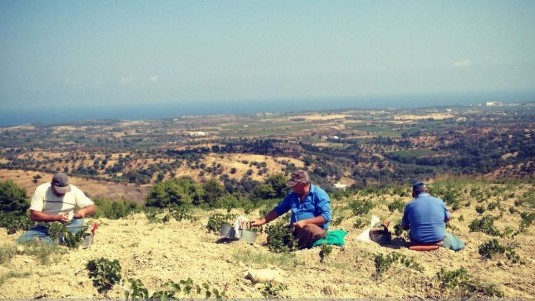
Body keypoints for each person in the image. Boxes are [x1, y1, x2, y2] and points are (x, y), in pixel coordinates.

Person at [251, 170, 332, 249]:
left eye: (294, 185)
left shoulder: (319, 194)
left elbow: (326, 217)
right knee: (273, 236)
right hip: (295, 228)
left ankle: (290, 247)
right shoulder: (292, 195)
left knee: (308, 231)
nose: (292, 187)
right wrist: (262, 221)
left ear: (303, 184)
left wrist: (305, 222)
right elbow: (278, 210)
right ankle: (289, 245)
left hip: (316, 228)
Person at [17, 173, 97, 244]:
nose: (62, 193)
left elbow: (92, 207)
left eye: (64, 190)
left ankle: (48, 241)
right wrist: (56, 218)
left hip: (68, 226)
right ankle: (59, 240)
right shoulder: (41, 190)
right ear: (52, 185)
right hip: (44, 227)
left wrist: (84, 211)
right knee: (21, 240)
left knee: (78, 222)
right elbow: (34, 215)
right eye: (59, 190)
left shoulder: (74, 190)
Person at [401, 181, 464, 251]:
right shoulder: (439, 201)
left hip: (417, 241)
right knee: (455, 240)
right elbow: (448, 218)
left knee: (411, 233)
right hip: (438, 240)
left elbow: (404, 226)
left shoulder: (409, 205)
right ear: (427, 191)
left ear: (413, 193)